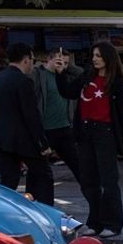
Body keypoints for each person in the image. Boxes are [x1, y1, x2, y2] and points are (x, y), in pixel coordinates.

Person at [55, 41, 123, 237]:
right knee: (88, 179)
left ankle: (112, 223)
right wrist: (61, 73)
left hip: (105, 133)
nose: (95, 59)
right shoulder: (87, 76)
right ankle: (94, 221)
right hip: (85, 132)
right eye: (94, 56)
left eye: (98, 55)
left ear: (108, 57)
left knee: (108, 180)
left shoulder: (117, 83)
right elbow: (68, 92)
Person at [0, 42, 54, 205]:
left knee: (8, 180)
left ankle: (6, 213)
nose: (33, 64)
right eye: (32, 59)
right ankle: (44, 212)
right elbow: (31, 114)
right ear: (26, 60)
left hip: (0, 138)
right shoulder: (23, 81)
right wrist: (42, 143)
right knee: (43, 175)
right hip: (23, 139)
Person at [34, 47, 82, 185]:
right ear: (49, 59)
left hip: (65, 127)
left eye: (66, 63)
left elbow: (81, 73)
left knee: (79, 165)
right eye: (59, 61)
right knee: (40, 170)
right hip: (45, 129)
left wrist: (66, 66)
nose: (62, 65)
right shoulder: (39, 75)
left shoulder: (66, 75)